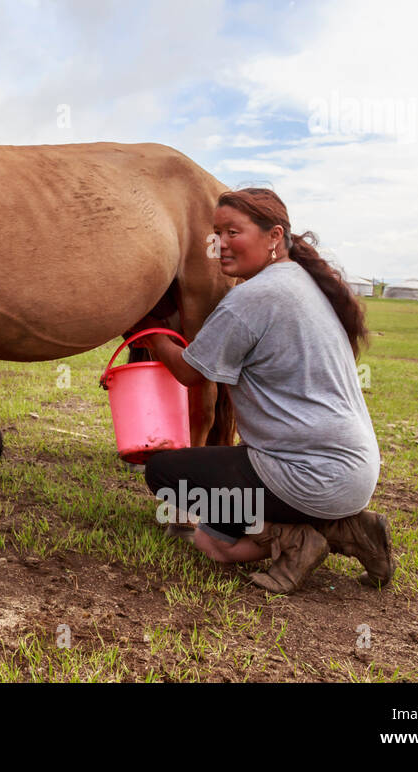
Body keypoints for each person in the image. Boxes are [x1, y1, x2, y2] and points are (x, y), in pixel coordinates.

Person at [141, 187, 395, 594]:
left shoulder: (251, 298)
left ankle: (294, 540)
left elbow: (189, 374)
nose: (219, 244)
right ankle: (346, 526)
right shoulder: (303, 282)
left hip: (307, 473)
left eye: (233, 232)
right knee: (214, 517)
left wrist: (152, 336)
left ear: (274, 236)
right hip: (353, 470)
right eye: (216, 233)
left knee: (170, 480)